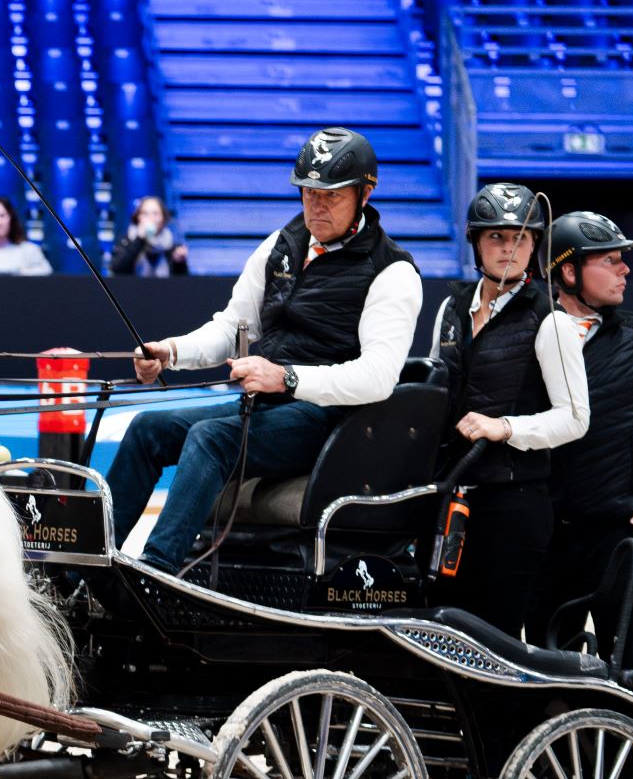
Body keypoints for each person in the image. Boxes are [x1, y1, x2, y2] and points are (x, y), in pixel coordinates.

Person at [105, 127, 421, 574]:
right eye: (308, 193)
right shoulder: (281, 244)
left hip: (327, 421)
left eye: (330, 195)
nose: (316, 205)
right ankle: (91, 570)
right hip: (266, 410)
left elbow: (378, 377)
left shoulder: (392, 271)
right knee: (146, 429)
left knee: (210, 438)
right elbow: (232, 326)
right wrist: (171, 352)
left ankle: (157, 574)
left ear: (364, 195)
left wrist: (287, 376)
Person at [423, 183, 589, 635]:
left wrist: (506, 427)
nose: (509, 247)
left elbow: (575, 417)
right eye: (496, 236)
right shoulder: (451, 309)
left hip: (514, 505)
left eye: (520, 237)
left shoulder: (551, 320)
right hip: (450, 496)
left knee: (493, 643)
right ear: (476, 242)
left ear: (535, 245)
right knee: (441, 633)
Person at [528, 212, 633, 643]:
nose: (624, 269)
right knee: (544, 660)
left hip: (618, 531)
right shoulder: (532, 333)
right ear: (569, 271)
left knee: (628, 664)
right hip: (548, 532)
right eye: (609, 260)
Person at [111, 195, 189, 276]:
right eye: (145, 214)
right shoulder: (127, 241)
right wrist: (139, 239)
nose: (150, 218)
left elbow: (183, 281)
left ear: (163, 218)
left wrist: (179, 263)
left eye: (155, 213)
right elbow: (118, 269)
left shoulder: (171, 244)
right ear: (137, 217)